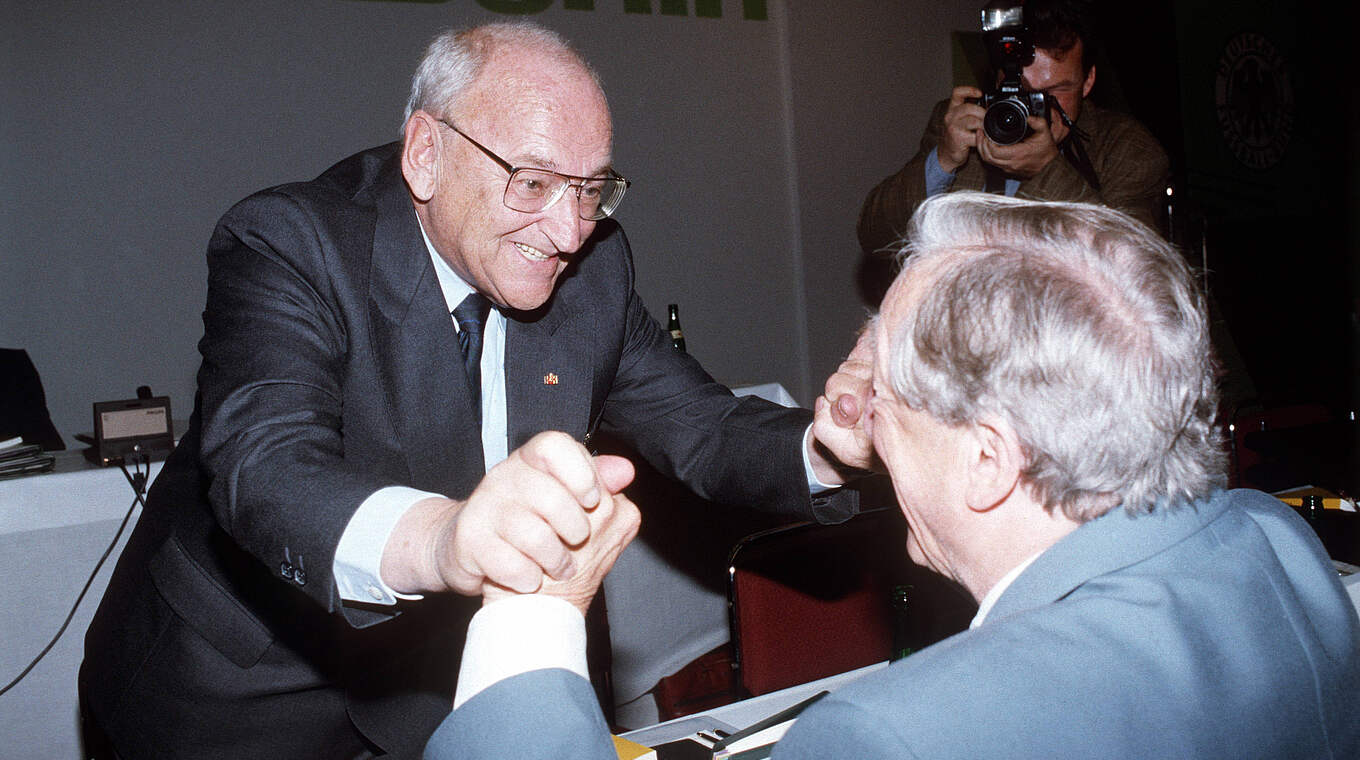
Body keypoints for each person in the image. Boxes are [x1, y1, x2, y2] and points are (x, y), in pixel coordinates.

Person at [79, 22, 871, 759]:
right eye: (532, 182)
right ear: (425, 154)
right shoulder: (293, 241)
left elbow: (701, 424)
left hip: (439, 694)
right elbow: (266, 466)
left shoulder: (594, 270)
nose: (568, 231)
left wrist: (827, 449)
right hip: (237, 696)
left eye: (591, 190)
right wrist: (445, 539)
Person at [425, 192, 1360, 760]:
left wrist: (530, 618)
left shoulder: (898, 735)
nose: (862, 407)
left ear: (989, 459)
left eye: (889, 390)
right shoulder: (1276, 543)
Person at [856, 0, 1169, 280]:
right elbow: (875, 239)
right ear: (997, 78)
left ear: (1088, 82)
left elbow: (1136, 272)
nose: (1038, 104)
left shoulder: (1126, 149)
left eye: (1056, 90)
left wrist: (1048, 170)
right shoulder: (962, 122)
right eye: (1022, 88)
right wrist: (943, 161)